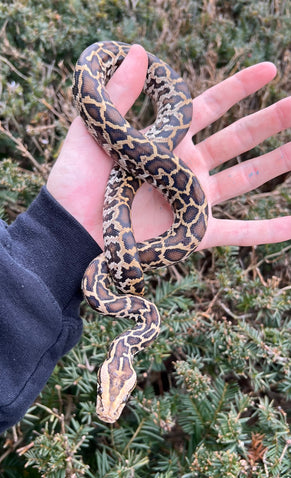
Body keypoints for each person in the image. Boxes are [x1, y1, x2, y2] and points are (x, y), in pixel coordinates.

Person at [0, 45, 290, 434]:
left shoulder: (116, 296)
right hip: (124, 220)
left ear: (114, 369)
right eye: (111, 393)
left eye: (109, 392)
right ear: (120, 372)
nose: (107, 403)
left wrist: (61, 235)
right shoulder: (128, 306)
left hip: (122, 219)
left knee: (150, 157)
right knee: (155, 151)